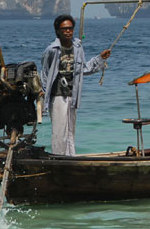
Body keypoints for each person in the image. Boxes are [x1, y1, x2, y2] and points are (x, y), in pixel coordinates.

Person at [40, 14, 111, 156]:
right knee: (59, 131)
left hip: (72, 94)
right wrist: (42, 94)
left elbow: (84, 69)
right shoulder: (52, 50)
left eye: (70, 29)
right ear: (58, 31)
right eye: (64, 29)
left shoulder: (78, 48)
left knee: (71, 131)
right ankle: (59, 159)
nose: (68, 31)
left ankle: (70, 158)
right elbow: (45, 74)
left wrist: (100, 58)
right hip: (57, 95)